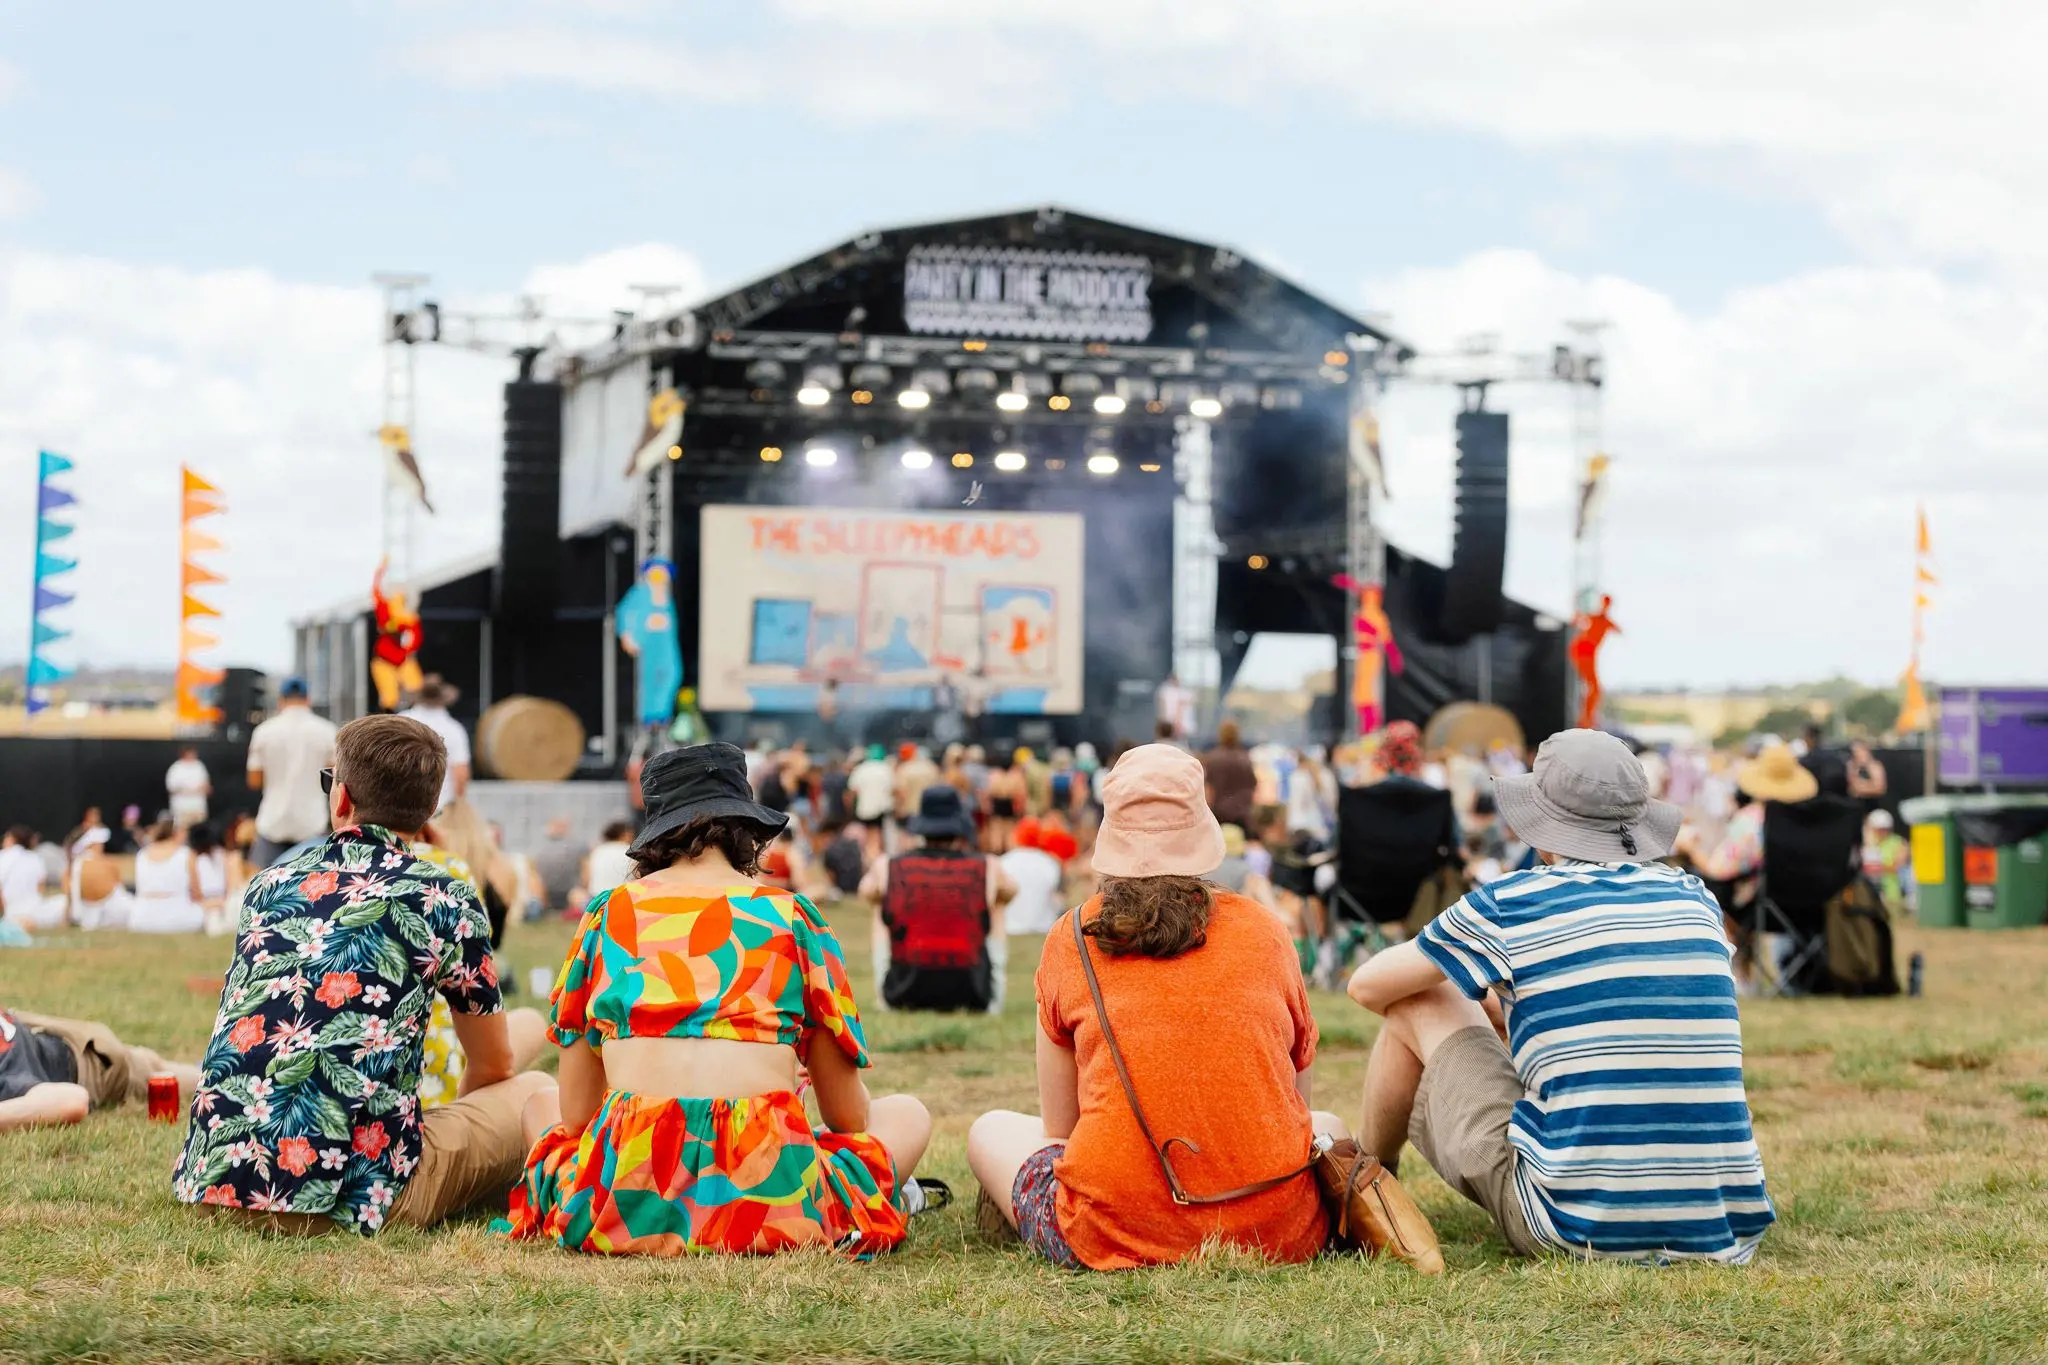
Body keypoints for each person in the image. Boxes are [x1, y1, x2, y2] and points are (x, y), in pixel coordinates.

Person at [1345, 729, 1774, 1262]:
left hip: (1571, 1226)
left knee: (1419, 1000)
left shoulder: (1513, 902)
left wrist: (1474, 992)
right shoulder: (1696, 898)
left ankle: (1363, 1182)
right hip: (1723, 1228)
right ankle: (1366, 1180)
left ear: (1542, 827)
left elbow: (1367, 986)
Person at [508, 743, 940, 1257]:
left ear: (655, 836)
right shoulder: (792, 917)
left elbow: (577, 1116)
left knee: (539, 1105)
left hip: (627, 1199)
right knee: (907, 1113)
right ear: (747, 830)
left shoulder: (608, 915)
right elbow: (848, 1117)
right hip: (771, 1200)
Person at [966, 743, 1347, 1270]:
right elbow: (1297, 1107)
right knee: (1331, 1123)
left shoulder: (1072, 937)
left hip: (1112, 1230)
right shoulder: (1266, 930)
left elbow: (1060, 1128)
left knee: (990, 1129)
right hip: (1280, 1229)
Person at [174, 714, 555, 1235]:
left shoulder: (269, 883)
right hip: (351, 1201)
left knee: (520, 1042)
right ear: (427, 813)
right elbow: (490, 1068)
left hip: (216, 1185)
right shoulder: (443, 895)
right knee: (533, 1085)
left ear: (342, 798)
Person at [862, 786, 1016, 1014]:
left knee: (881, 907)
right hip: (973, 993)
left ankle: (885, 998)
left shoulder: (888, 866)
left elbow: (866, 892)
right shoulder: (987, 866)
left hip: (904, 992)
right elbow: (1011, 891)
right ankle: (994, 998)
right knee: (996, 906)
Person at [1, 1007, 200, 1132]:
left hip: (85, 1053)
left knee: (154, 1068)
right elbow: (71, 1100)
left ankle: (213, 1075)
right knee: (152, 1064)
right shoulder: (9, 1072)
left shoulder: (8, 1072)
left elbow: (73, 1100)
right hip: (63, 1046)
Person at [246, 676, 339, 869]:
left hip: (272, 823)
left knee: (263, 891)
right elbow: (334, 779)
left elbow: (254, 781)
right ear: (308, 699)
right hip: (311, 824)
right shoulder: (327, 731)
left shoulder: (263, 732)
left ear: (281, 700)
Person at [400, 674, 472, 815]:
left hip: (400, 806)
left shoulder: (401, 721)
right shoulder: (454, 729)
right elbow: (460, 772)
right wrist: (459, 807)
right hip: (440, 809)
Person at [130, 818, 203, 934]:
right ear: (176, 833)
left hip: (141, 918)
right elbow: (197, 894)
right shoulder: (186, 854)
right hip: (177, 917)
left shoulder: (142, 854)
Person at [999, 818, 1068, 936]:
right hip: (1042, 932)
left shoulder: (1004, 862)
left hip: (1010, 931)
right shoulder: (1050, 863)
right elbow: (1059, 899)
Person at [0, 827, 66, 931]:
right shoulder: (36, 858)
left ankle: (19, 922)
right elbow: (41, 888)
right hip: (36, 912)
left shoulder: (3, 856)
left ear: (12, 839)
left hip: (11, 913)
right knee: (64, 900)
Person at [568, 820, 636, 916]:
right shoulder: (632, 851)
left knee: (575, 893)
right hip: (623, 900)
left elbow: (586, 879)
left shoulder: (597, 851)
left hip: (597, 902)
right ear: (626, 834)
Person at [1200, 719, 1257, 832]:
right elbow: (1253, 785)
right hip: (1242, 814)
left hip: (1218, 814)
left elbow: (1208, 790)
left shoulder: (1212, 759)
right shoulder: (1245, 759)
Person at [1862, 809, 1910, 913]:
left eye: (1884, 829)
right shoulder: (1865, 842)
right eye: (1878, 829)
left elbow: (1898, 866)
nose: (1881, 832)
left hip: (1891, 889)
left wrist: (1876, 868)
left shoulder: (1898, 842)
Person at [189, 822, 233, 936]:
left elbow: (229, 882)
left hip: (220, 900)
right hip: (205, 902)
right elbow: (194, 889)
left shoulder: (221, 855)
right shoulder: (193, 858)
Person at [983, 751, 1029, 853]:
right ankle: (1008, 849)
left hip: (999, 804)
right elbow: (1021, 794)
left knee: (997, 829)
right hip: (1009, 804)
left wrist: (987, 806)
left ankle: (998, 849)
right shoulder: (1016, 776)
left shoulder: (994, 775)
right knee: (1010, 830)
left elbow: (989, 792)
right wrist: (1021, 809)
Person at [848, 744, 896, 835]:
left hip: (863, 811)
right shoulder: (886, 769)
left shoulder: (860, 769)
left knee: (867, 835)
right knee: (879, 835)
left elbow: (852, 792)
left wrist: (851, 812)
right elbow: (893, 789)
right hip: (882, 810)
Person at [166, 745, 212, 831]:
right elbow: (171, 788)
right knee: (181, 830)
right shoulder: (176, 768)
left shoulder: (199, 766)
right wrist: (189, 791)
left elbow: (207, 785)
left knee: (199, 830)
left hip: (198, 807)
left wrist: (206, 789)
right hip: (182, 808)